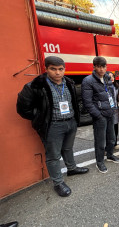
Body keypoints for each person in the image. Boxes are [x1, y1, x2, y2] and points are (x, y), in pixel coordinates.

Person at [16, 56, 89, 197]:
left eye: (60, 69)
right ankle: (58, 182)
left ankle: (72, 168)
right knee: (53, 155)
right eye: (53, 69)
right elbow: (22, 108)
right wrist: (40, 117)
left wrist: (75, 120)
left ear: (64, 69)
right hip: (53, 126)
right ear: (46, 68)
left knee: (68, 148)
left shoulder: (69, 83)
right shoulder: (35, 86)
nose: (57, 72)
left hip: (70, 122)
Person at [81, 57, 119, 174]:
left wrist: (113, 109)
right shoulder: (88, 81)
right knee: (100, 140)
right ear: (94, 67)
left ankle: (110, 155)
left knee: (112, 138)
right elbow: (87, 102)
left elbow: (111, 95)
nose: (102, 69)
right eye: (99, 66)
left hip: (109, 113)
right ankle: (99, 162)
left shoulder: (107, 78)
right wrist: (98, 115)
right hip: (100, 116)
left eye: (104, 66)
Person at [107, 71, 119, 150]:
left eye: (112, 76)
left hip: (115, 110)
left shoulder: (116, 86)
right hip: (108, 110)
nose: (111, 78)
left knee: (115, 126)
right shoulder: (105, 87)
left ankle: (115, 143)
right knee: (109, 128)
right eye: (109, 76)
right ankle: (108, 145)